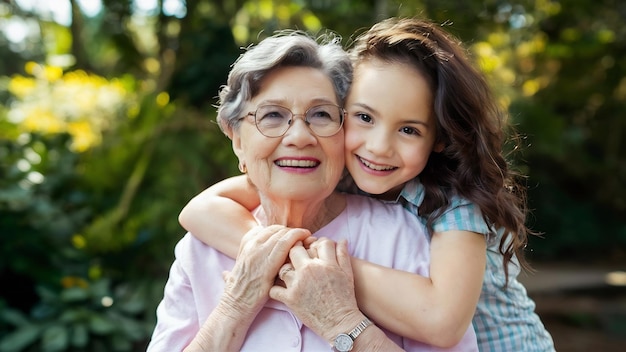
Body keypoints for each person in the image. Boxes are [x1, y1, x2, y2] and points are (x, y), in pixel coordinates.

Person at [178, 17, 555, 351]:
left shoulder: (453, 203)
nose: (378, 147)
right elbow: (200, 210)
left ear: (439, 139)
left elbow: (442, 323)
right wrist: (270, 253)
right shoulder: (340, 173)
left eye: (409, 129)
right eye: (364, 117)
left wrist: (314, 266)